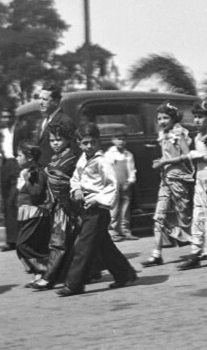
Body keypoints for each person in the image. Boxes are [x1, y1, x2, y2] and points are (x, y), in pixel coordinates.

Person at [56, 122, 138, 296]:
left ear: (98, 142)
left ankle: (74, 284)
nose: (89, 146)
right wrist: (76, 189)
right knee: (103, 245)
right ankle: (125, 274)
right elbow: (75, 178)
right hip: (86, 207)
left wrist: (98, 200)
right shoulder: (83, 160)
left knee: (83, 246)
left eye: (92, 142)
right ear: (79, 143)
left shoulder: (102, 161)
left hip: (98, 209)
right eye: (85, 143)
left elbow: (112, 185)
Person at [142, 102, 193, 267]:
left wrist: (166, 161)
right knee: (159, 215)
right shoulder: (162, 134)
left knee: (184, 216)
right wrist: (161, 162)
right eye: (159, 118)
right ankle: (156, 254)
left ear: (173, 118)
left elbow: (187, 156)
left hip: (179, 179)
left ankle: (199, 246)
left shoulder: (179, 133)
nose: (162, 121)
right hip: (165, 180)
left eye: (165, 117)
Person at [177, 101, 207, 270]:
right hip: (200, 179)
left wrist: (204, 159)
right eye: (195, 117)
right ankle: (195, 253)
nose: (197, 120)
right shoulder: (198, 138)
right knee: (198, 216)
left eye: (201, 117)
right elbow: (188, 156)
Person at [32, 124, 80, 290]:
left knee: (58, 242)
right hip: (57, 206)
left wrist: (46, 171)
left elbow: (58, 175)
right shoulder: (55, 158)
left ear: (67, 140)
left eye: (59, 139)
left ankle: (48, 278)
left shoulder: (70, 159)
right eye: (52, 140)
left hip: (67, 207)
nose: (55, 143)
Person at [14, 143, 50, 287]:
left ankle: (48, 267)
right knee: (34, 245)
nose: (17, 158)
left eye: (19, 155)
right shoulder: (28, 171)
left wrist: (27, 181)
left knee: (22, 245)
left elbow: (36, 193)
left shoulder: (36, 173)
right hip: (28, 213)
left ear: (29, 157)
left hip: (36, 213)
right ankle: (38, 275)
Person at [106, 129, 138, 242]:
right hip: (114, 186)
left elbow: (132, 170)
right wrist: (112, 184)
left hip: (125, 185)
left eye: (123, 139)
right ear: (113, 140)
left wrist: (129, 181)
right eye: (118, 139)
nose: (121, 141)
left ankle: (125, 231)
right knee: (114, 211)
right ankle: (113, 232)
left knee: (125, 210)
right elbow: (107, 171)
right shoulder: (110, 154)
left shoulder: (128, 155)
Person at [0, 109, 23, 252]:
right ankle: (10, 240)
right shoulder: (2, 133)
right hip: (5, 166)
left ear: (13, 118)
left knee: (13, 201)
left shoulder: (19, 130)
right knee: (6, 203)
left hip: (16, 165)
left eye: (8, 116)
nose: (6, 119)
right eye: (3, 117)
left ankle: (17, 238)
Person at [34, 84, 76, 167]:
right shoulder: (43, 121)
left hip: (55, 173)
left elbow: (73, 150)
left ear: (56, 101)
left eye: (45, 99)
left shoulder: (65, 121)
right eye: (40, 99)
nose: (40, 102)